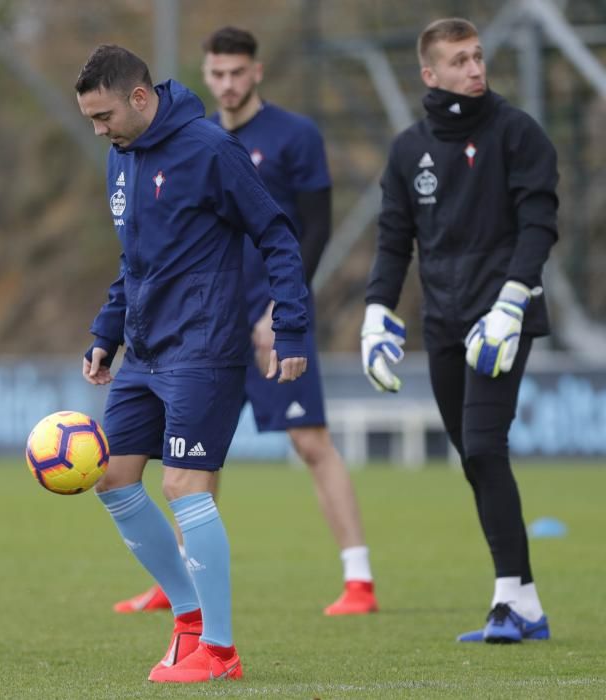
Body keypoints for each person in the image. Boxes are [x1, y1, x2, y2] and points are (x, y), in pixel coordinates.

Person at [112, 26, 379, 618]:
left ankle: (359, 577)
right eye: (218, 74)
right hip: (200, 332)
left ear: (256, 72)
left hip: (271, 319)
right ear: (205, 75)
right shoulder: (181, 145)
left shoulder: (294, 136)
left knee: (311, 443)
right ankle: (179, 585)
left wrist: (278, 313)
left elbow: (309, 232)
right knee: (192, 463)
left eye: (238, 73)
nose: (227, 84)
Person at [77, 45, 308, 683]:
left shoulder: (209, 149)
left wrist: (288, 326)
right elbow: (135, 261)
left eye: (103, 115)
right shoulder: (119, 160)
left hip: (204, 348)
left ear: (141, 98)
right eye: (90, 119)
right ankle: (188, 619)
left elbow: (277, 234)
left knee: (183, 485)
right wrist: (107, 331)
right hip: (145, 351)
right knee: (112, 477)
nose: (98, 129)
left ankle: (222, 651)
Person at [363, 17, 556, 643]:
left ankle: (506, 601)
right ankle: (526, 600)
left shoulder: (517, 133)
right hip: (443, 322)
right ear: (431, 74)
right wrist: (374, 313)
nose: (475, 69)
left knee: (481, 446)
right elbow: (395, 243)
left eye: (478, 57)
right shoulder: (407, 150)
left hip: (503, 316)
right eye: (460, 61)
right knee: (474, 458)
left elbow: (538, 228)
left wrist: (512, 301)